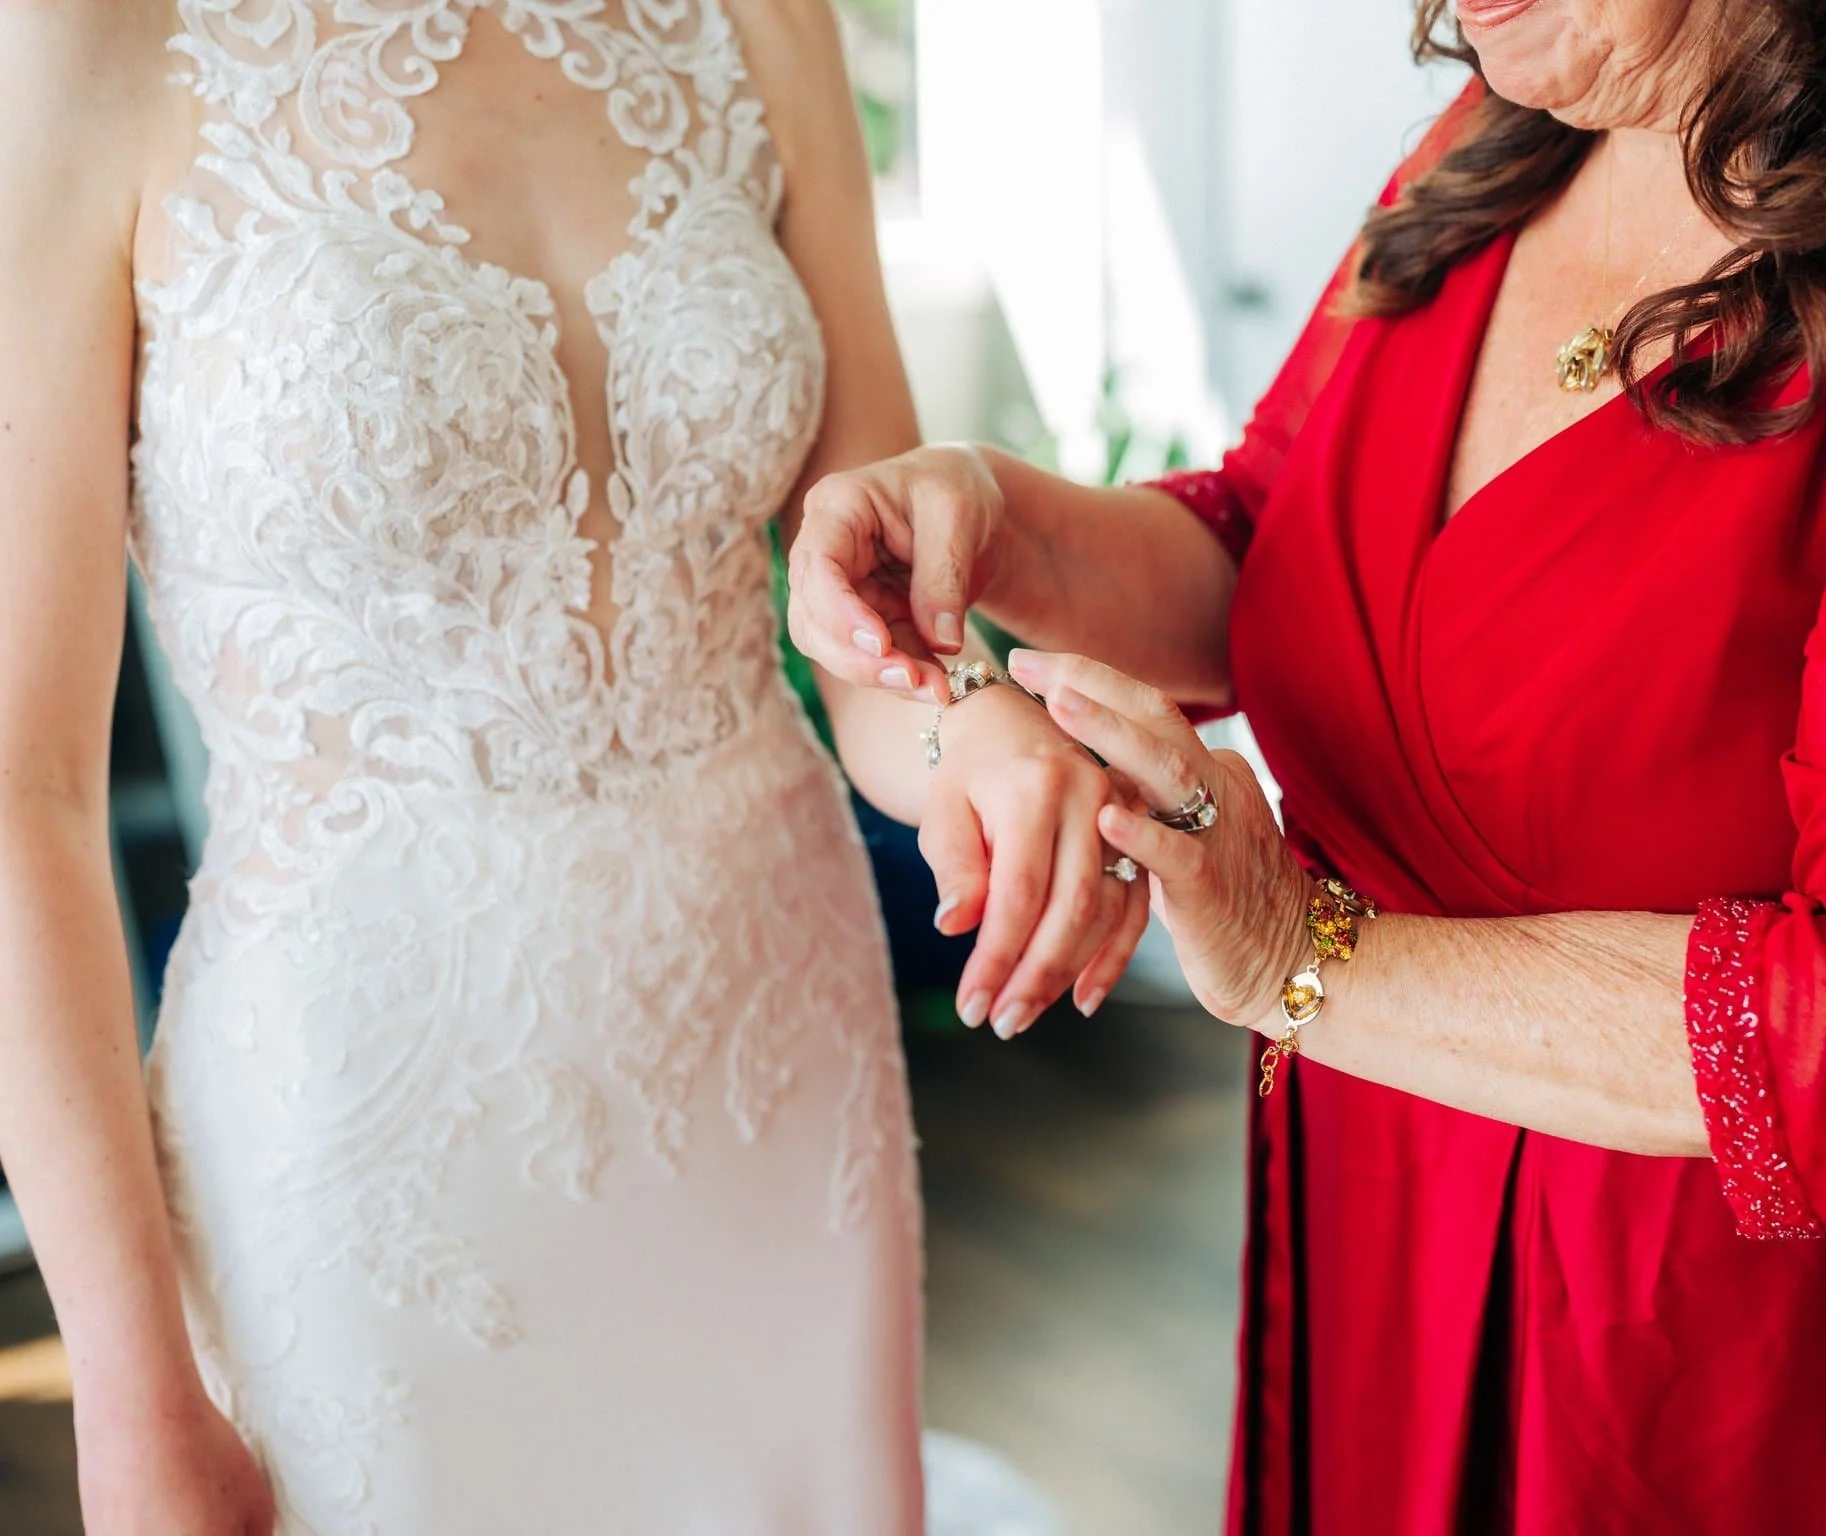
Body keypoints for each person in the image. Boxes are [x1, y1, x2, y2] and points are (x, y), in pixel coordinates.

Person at [789, 0, 1826, 1528]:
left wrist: (1299, 958)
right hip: (1378, 1194)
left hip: (1711, 1338)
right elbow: (1289, 547)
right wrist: (998, 520)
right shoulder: (1510, 136)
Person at [0, 1, 1144, 1531]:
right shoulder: (89, 39)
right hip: (364, 1133)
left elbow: (876, 622)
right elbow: (25, 791)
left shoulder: (761, 21)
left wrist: (977, 738)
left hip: (775, 1060)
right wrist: (131, 1407)